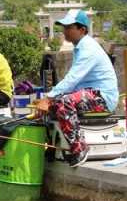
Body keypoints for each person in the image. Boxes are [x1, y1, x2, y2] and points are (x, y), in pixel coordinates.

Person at [35, 9, 118, 167]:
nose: (64, 31)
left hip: (102, 97)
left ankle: (79, 148)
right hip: (88, 94)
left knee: (63, 103)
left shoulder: (88, 49)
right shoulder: (80, 47)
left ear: (82, 30)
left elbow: (72, 78)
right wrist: (48, 100)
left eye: (68, 27)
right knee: (51, 105)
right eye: (64, 28)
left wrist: (49, 97)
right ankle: (52, 146)